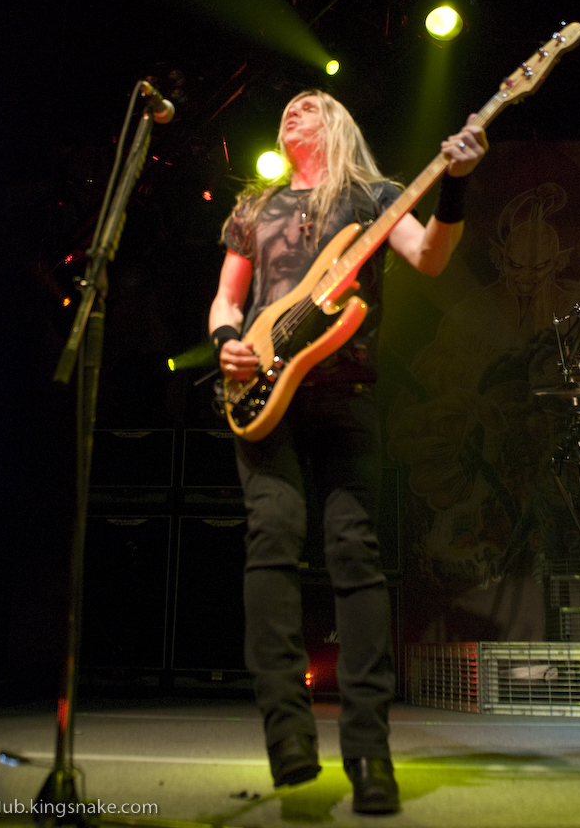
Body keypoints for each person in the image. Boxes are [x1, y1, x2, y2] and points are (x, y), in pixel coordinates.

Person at [208, 90, 488, 814]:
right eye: (288, 105)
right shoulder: (255, 206)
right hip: (264, 396)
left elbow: (429, 257)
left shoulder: (376, 197)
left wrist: (455, 184)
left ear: (336, 122)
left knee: (354, 554)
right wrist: (227, 342)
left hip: (346, 393)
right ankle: (287, 738)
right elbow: (227, 299)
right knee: (271, 543)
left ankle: (369, 754)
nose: (293, 108)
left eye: (310, 103)